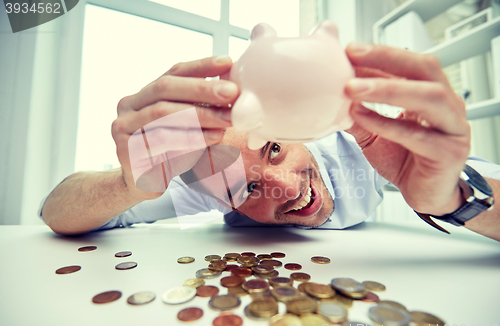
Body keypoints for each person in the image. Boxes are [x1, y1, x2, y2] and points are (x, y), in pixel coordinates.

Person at [39, 43, 500, 241]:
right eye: (247, 190)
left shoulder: (360, 137)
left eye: (274, 148)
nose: (286, 187)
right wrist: (129, 188)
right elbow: (54, 213)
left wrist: (451, 199)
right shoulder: (197, 184)